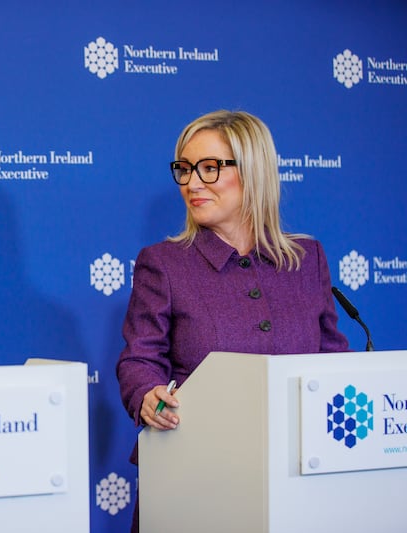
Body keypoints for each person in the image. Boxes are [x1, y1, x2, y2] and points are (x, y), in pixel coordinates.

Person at [116, 110, 349, 531]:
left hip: (295, 475)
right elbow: (139, 360)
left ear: (254, 171)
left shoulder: (306, 259)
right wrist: (148, 395)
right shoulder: (164, 264)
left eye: (209, 168)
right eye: (184, 170)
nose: (191, 183)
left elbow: (333, 362)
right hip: (193, 478)